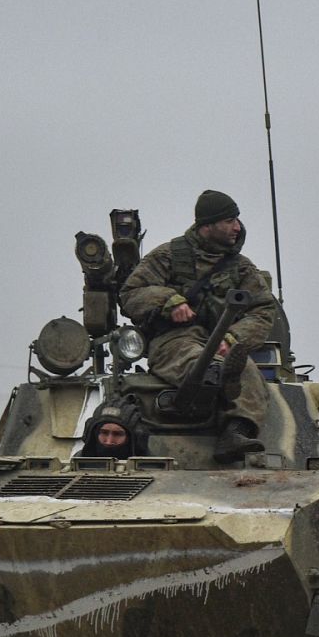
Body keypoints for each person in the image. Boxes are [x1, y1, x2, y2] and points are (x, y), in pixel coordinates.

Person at [119, 190, 279, 462]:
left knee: (247, 370)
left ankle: (235, 432)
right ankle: (218, 378)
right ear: (207, 226)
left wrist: (233, 337)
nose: (237, 227)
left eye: (237, 220)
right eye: (230, 220)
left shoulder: (240, 268)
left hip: (221, 342)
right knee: (200, 363)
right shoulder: (169, 256)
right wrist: (169, 300)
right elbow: (130, 293)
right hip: (173, 340)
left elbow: (263, 309)